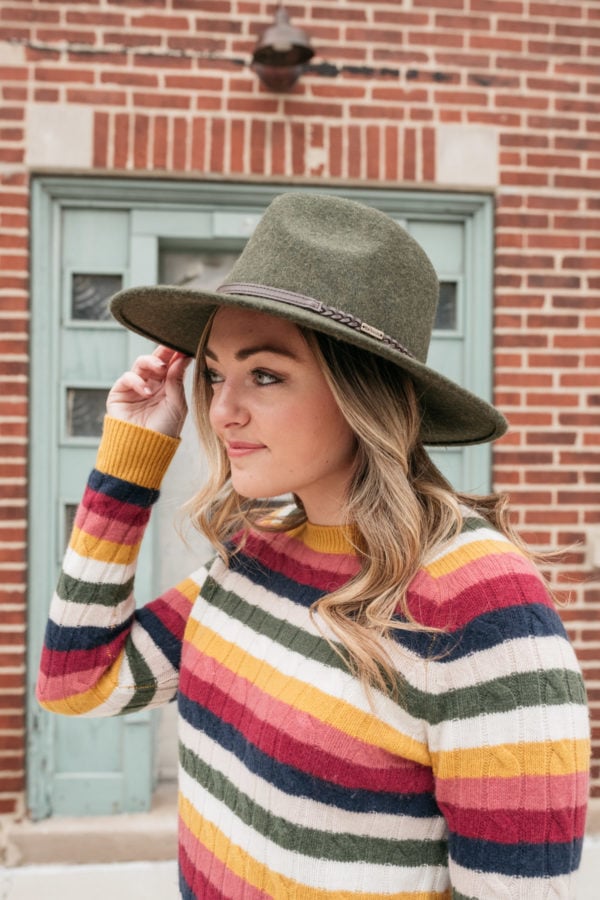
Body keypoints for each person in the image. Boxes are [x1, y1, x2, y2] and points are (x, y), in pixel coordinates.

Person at [37, 193, 589, 899]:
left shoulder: (481, 605)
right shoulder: (258, 550)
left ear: (365, 392)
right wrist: (132, 454)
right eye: (214, 373)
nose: (221, 409)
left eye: (265, 374)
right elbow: (78, 684)